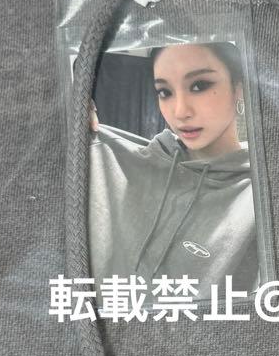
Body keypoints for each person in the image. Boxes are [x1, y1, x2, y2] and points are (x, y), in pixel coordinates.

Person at [88, 41, 260, 303]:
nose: (180, 111)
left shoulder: (263, 194)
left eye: (199, 86)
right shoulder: (123, 164)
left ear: (238, 89)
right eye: (165, 92)